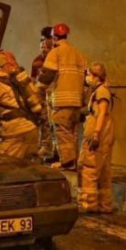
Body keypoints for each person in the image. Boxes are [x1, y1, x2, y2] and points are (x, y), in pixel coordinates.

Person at [36, 23, 87, 170]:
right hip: (77, 101)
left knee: (62, 132)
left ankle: (67, 163)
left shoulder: (55, 53)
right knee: (72, 133)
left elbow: (48, 75)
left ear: (53, 37)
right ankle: (74, 161)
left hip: (61, 100)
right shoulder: (79, 54)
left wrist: (37, 88)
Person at [78, 62, 115, 213]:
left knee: (89, 168)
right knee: (104, 171)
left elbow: (101, 113)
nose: (87, 78)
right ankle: (104, 205)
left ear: (95, 76)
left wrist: (95, 133)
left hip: (99, 133)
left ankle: (88, 204)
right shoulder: (101, 90)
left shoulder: (101, 92)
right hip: (105, 132)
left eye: (88, 74)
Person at [32, 27, 56, 160]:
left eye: (46, 40)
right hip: (41, 97)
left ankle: (53, 150)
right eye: (41, 40)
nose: (43, 44)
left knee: (53, 124)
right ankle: (44, 146)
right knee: (43, 121)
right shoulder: (37, 61)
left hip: (54, 96)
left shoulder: (56, 59)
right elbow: (33, 79)